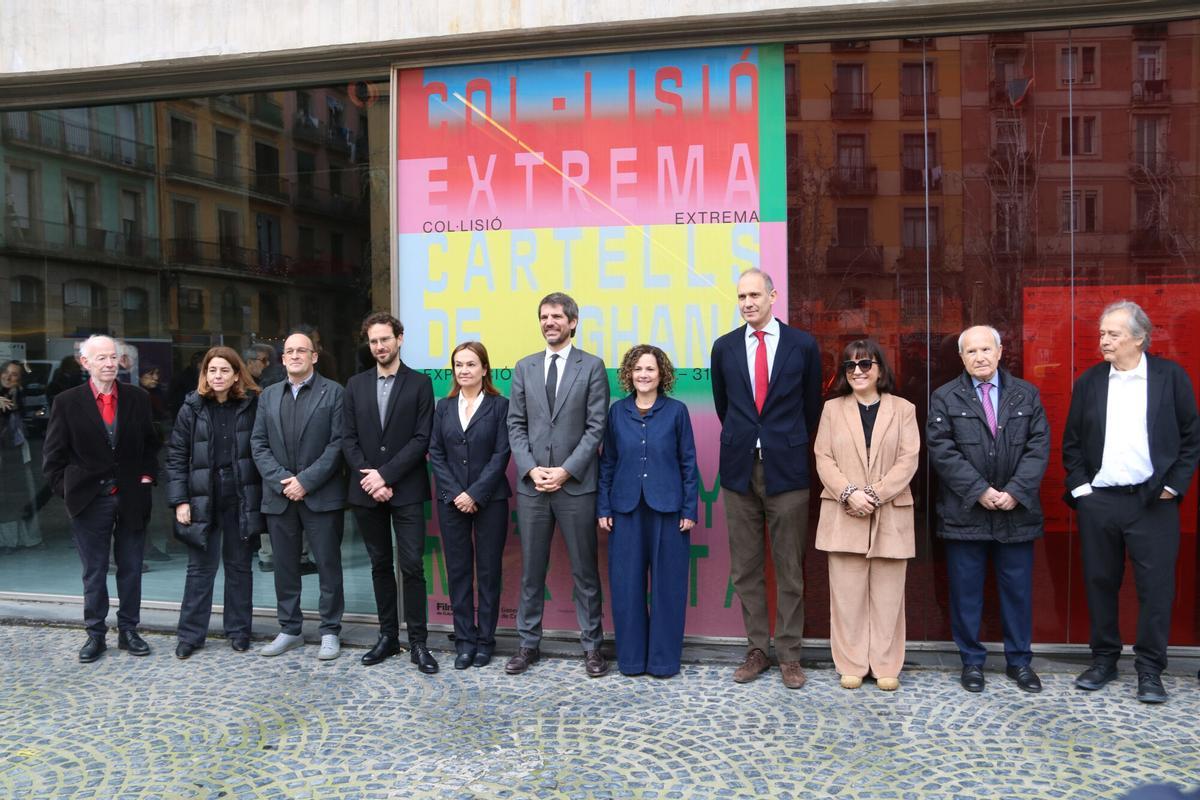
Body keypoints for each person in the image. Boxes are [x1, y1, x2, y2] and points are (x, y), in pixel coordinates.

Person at [1062, 300, 1200, 703]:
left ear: (1139, 338)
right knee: (1100, 582)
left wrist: (1174, 486)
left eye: (1113, 333)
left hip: (1153, 502)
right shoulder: (1089, 381)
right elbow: (1071, 443)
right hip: (1100, 501)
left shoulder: (1170, 377)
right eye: (1102, 333)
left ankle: (1150, 670)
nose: (1103, 340)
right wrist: (1083, 491)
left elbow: (1191, 438)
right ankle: (1103, 660)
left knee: (1155, 588)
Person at [710, 268, 822, 688]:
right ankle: (757, 648)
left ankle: (790, 654)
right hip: (740, 469)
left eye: (755, 294)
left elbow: (811, 407)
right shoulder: (724, 348)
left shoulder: (802, 345)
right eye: (741, 296)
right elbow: (726, 407)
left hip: (787, 469)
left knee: (790, 567)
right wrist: (749, 439)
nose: (747, 303)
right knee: (746, 567)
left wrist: (782, 441)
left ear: (773, 296)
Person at [927, 325, 1050, 694]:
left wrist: (1016, 490)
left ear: (1000, 352)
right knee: (966, 592)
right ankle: (972, 662)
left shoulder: (1026, 395)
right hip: (966, 512)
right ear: (961, 358)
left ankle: (1020, 662)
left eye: (986, 349)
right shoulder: (944, 397)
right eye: (971, 352)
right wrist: (979, 490)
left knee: (1017, 591)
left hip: (1016, 511)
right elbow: (942, 451)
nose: (979, 357)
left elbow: (1039, 446)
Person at [506, 291, 610, 677]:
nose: (549, 323)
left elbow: (596, 426)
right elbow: (515, 424)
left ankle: (592, 648)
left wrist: (566, 470)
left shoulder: (593, 367)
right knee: (532, 570)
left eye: (556, 317)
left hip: (575, 486)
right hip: (533, 487)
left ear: (573, 322)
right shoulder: (524, 367)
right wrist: (532, 469)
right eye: (544, 317)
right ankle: (527, 645)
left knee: (585, 571)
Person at [42, 335, 160, 662]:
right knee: (94, 572)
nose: (109, 364)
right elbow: (53, 459)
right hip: (88, 500)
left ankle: (129, 631)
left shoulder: (137, 398)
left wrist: (146, 479)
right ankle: (95, 634)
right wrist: (69, 492)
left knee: (131, 568)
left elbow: (151, 445)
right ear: (86, 363)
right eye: (102, 358)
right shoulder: (66, 402)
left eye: (113, 357)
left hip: (131, 498)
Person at [813, 340, 919, 691]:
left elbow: (909, 459)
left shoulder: (903, 409)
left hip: (890, 513)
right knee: (846, 595)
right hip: (844, 513)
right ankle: (852, 663)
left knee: (889, 596)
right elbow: (823, 457)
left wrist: (873, 494)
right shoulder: (832, 410)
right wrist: (849, 493)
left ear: (880, 368)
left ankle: (887, 664)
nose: (857, 371)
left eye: (865, 364)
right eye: (849, 366)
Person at [342, 312, 438, 672]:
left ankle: (418, 643)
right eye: (373, 341)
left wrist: (385, 475)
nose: (379, 346)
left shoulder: (420, 384)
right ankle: (387, 637)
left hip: (406, 489)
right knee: (379, 565)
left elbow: (421, 439)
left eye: (385, 339)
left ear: (399, 338)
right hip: (366, 491)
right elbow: (347, 439)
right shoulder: (355, 384)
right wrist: (371, 479)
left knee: (412, 566)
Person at [598, 345, 698, 678]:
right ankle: (631, 661)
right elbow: (607, 461)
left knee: (669, 587)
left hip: (669, 510)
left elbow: (688, 463)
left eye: (650, 369)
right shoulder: (617, 412)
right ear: (629, 373)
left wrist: (689, 509)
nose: (643, 374)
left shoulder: (677, 411)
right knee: (626, 587)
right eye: (638, 369)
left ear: (662, 374)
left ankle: (663, 662)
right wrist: (603, 506)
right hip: (625, 509)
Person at [251, 329, 347, 660]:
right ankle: (290, 629)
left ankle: (330, 630)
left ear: (314, 357)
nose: (294, 355)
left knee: (328, 565)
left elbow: (338, 443)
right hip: (280, 497)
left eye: (301, 350)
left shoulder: (334, 393)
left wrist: (305, 481)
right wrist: (282, 481)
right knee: (285, 567)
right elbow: (258, 444)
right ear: (282, 359)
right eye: (289, 351)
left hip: (320, 495)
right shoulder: (268, 395)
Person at [166, 346, 263, 659]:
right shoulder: (191, 408)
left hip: (240, 497)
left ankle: (238, 631)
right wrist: (180, 500)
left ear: (236, 374)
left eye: (224, 370)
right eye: (212, 370)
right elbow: (177, 457)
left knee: (239, 568)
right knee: (199, 570)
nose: (217, 376)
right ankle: (190, 635)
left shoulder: (251, 406)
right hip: (201, 499)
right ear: (204, 374)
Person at [429, 341, 512, 669]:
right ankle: (464, 639)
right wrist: (457, 493)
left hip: (490, 500)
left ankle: (485, 641)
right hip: (452, 502)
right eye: (459, 365)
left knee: (489, 571)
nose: (464, 370)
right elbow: (435, 452)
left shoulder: (499, 405)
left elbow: (502, 453)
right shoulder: (444, 407)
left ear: (484, 369)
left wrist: (475, 493)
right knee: (459, 571)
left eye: (470, 364)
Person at [0, 360, 43, 553]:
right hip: (6, 451)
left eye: (14, 374)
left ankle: (23, 538)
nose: (9, 377)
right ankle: (8, 541)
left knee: (18, 494)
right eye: (6, 373)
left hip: (15, 452)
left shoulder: (18, 394)